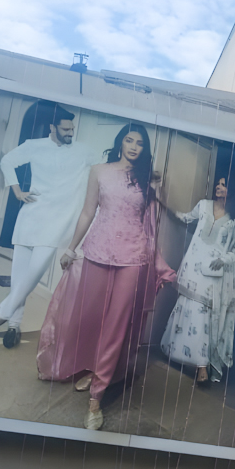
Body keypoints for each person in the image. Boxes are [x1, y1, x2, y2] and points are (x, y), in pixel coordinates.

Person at [36, 123, 175, 430]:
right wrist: (71, 248)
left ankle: (96, 399)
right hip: (98, 251)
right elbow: (88, 212)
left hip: (133, 258)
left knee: (116, 326)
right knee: (90, 318)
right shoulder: (99, 171)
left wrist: (158, 263)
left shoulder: (146, 180)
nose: (134, 147)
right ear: (120, 142)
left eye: (140, 143)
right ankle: (91, 367)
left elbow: (151, 225)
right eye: (129, 140)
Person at [0, 105, 95, 348]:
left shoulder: (83, 152)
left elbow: (106, 168)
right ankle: (13, 326)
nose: (70, 133)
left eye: (72, 129)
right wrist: (17, 191)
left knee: (33, 274)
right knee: (20, 278)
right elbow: (7, 161)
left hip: (57, 223)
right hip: (30, 218)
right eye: (65, 129)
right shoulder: (34, 146)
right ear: (52, 127)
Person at [160, 174, 235, 386]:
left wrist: (224, 259)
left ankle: (201, 366)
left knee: (202, 316)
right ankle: (175, 352)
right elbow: (185, 218)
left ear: (232, 190)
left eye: (224, 185)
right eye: (218, 183)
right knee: (186, 308)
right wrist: (163, 202)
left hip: (212, 275)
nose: (218, 186)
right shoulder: (204, 205)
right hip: (193, 269)